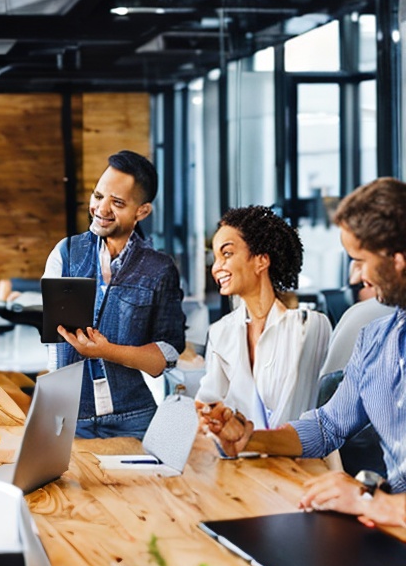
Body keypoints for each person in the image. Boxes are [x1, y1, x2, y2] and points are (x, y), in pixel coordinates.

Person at [200, 177, 406, 528]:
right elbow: (327, 426)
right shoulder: (375, 340)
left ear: (399, 259)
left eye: (360, 260)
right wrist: (249, 439)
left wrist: (370, 500)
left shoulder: (308, 326)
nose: (355, 277)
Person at [44, 150, 184, 439]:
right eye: (98, 196)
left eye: (117, 202)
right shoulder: (67, 254)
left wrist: (108, 352)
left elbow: (166, 355)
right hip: (72, 417)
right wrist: (53, 412)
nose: (101, 209)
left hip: (134, 418)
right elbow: (55, 347)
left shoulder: (159, 269)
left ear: (142, 211)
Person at [196, 206, 331, 427]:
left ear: (261, 261)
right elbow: (207, 404)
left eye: (227, 254)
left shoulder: (308, 326)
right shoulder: (221, 332)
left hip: (295, 455)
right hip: (240, 457)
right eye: (216, 256)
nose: (216, 267)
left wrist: (242, 435)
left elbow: (295, 411)